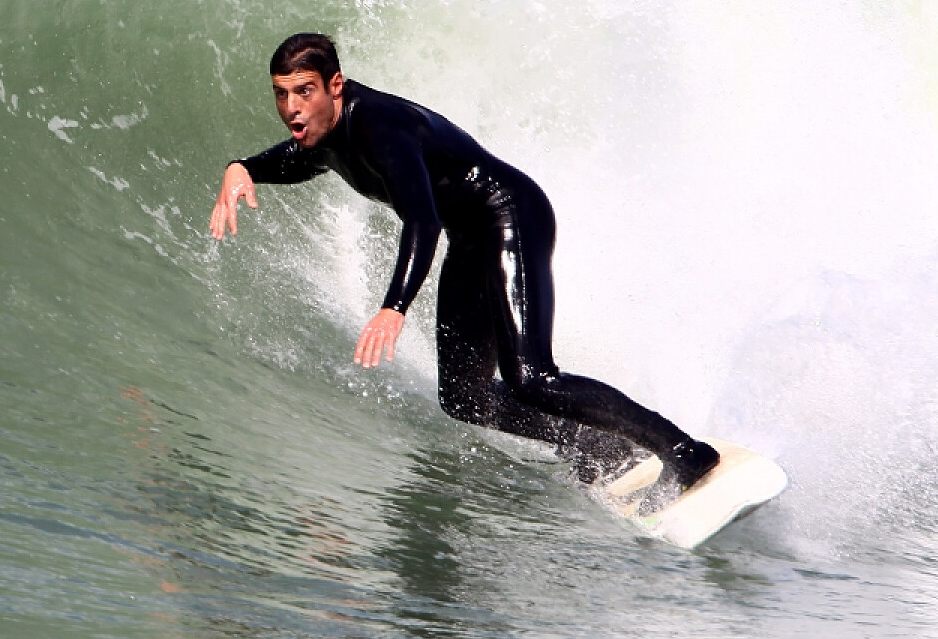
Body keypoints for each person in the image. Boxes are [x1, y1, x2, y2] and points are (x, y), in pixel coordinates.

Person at [209, 32, 720, 501]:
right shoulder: (326, 135)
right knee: (463, 396)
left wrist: (394, 307)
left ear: (335, 86)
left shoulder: (379, 129)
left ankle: (682, 451)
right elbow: (306, 160)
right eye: (282, 94)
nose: (292, 109)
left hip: (511, 214)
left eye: (304, 91)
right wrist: (244, 167)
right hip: (473, 238)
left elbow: (424, 221)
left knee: (533, 377)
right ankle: (595, 447)